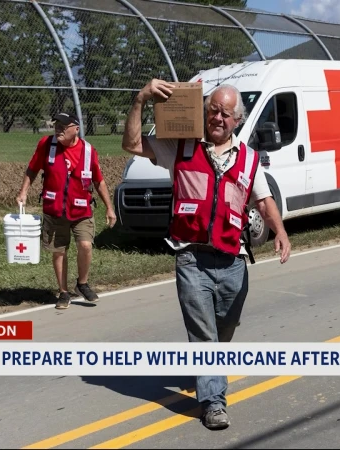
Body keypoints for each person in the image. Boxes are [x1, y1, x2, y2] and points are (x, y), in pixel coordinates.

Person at [121, 80, 292, 430]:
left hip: (233, 261)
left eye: (225, 114)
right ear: (204, 112)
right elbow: (132, 143)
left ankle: (210, 363)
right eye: (213, 110)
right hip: (191, 259)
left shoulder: (248, 158)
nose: (217, 118)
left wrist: (281, 232)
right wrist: (140, 99)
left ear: (237, 120)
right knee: (204, 335)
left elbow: (263, 200)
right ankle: (214, 402)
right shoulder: (180, 147)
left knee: (222, 330)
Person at [16, 112, 116, 310]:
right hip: (54, 210)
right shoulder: (46, 144)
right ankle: (63, 292)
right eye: (57, 125)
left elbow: (98, 180)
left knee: (85, 245)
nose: (58, 129)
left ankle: (82, 283)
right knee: (59, 251)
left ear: (76, 129)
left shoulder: (88, 151)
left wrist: (109, 207)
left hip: (81, 209)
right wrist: (23, 192)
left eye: (63, 125)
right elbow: (32, 168)